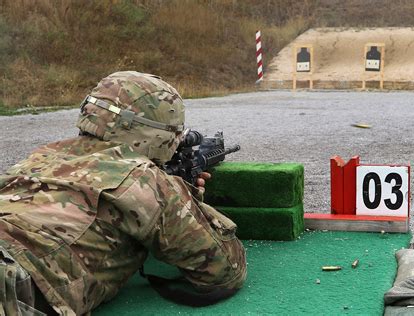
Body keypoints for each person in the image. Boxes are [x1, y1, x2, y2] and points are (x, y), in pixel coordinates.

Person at [0, 71, 247, 315]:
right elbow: (225, 271)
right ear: (161, 135)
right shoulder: (142, 180)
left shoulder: (41, 156)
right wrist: (185, 197)